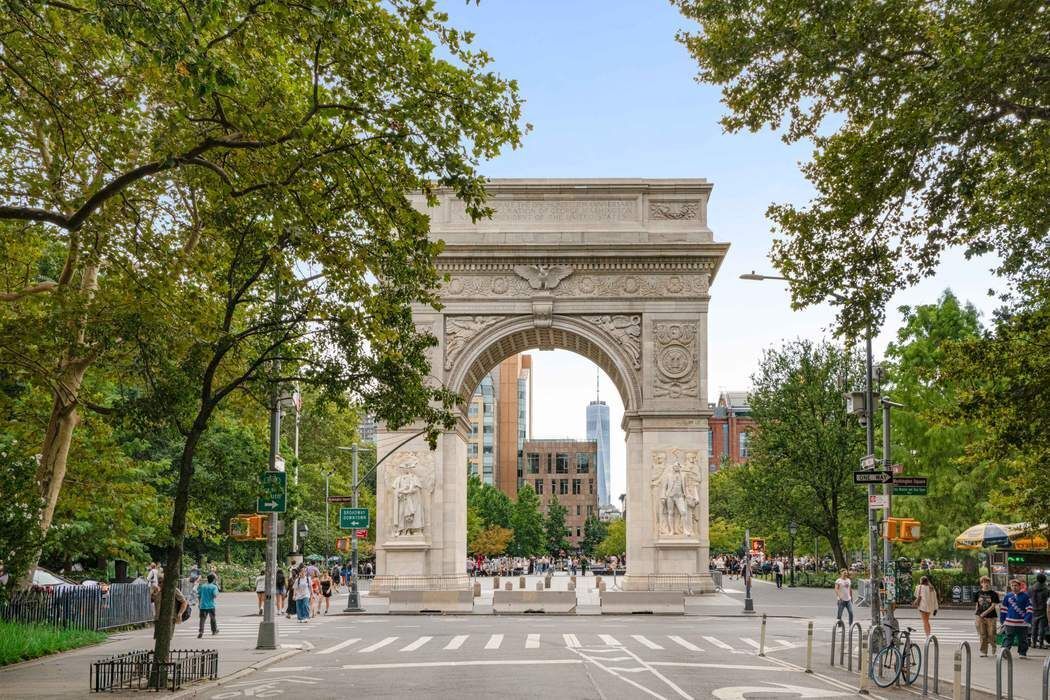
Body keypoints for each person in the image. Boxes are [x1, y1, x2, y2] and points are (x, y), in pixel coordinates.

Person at [1000, 578, 1033, 658]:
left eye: (1016, 585)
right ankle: (1005, 652)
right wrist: (1002, 620)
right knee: (1008, 638)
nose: (1014, 587)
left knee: (1023, 639)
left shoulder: (1026, 596)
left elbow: (1030, 608)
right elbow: (1004, 609)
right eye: (1012, 585)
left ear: (1020, 586)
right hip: (1009, 622)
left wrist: (1027, 619)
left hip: (1022, 623)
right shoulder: (1008, 596)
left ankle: (1022, 653)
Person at [974, 576, 1000, 657]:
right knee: (982, 634)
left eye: (987, 582)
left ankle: (994, 649)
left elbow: (993, 606)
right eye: (984, 582)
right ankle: (984, 651)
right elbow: (977, 604)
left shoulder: (994, 594)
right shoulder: (977, 593)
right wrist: (977, 614)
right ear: (981, 584)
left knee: (991, 634)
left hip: (991, 617)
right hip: (980, 617)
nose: (986, 584)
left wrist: (984, 613)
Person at [1030, 572, 1049, 649]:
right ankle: (1041, 643)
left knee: (1034, 628)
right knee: (1042, 628)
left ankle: (1033, 643)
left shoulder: (1031, 588)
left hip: (1034, 610)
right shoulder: (1046, 589)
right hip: (1043, 610)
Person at [197, 573, 219, 638]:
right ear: (213, 580)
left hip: (202, 605)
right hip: (211, 605)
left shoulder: (203, 586)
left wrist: (199, 603)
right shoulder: (214, 587)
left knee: (202, 619)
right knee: (212, 618)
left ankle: (201, 631)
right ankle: (214, 630)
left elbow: (199, 595)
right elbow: (215, 595)